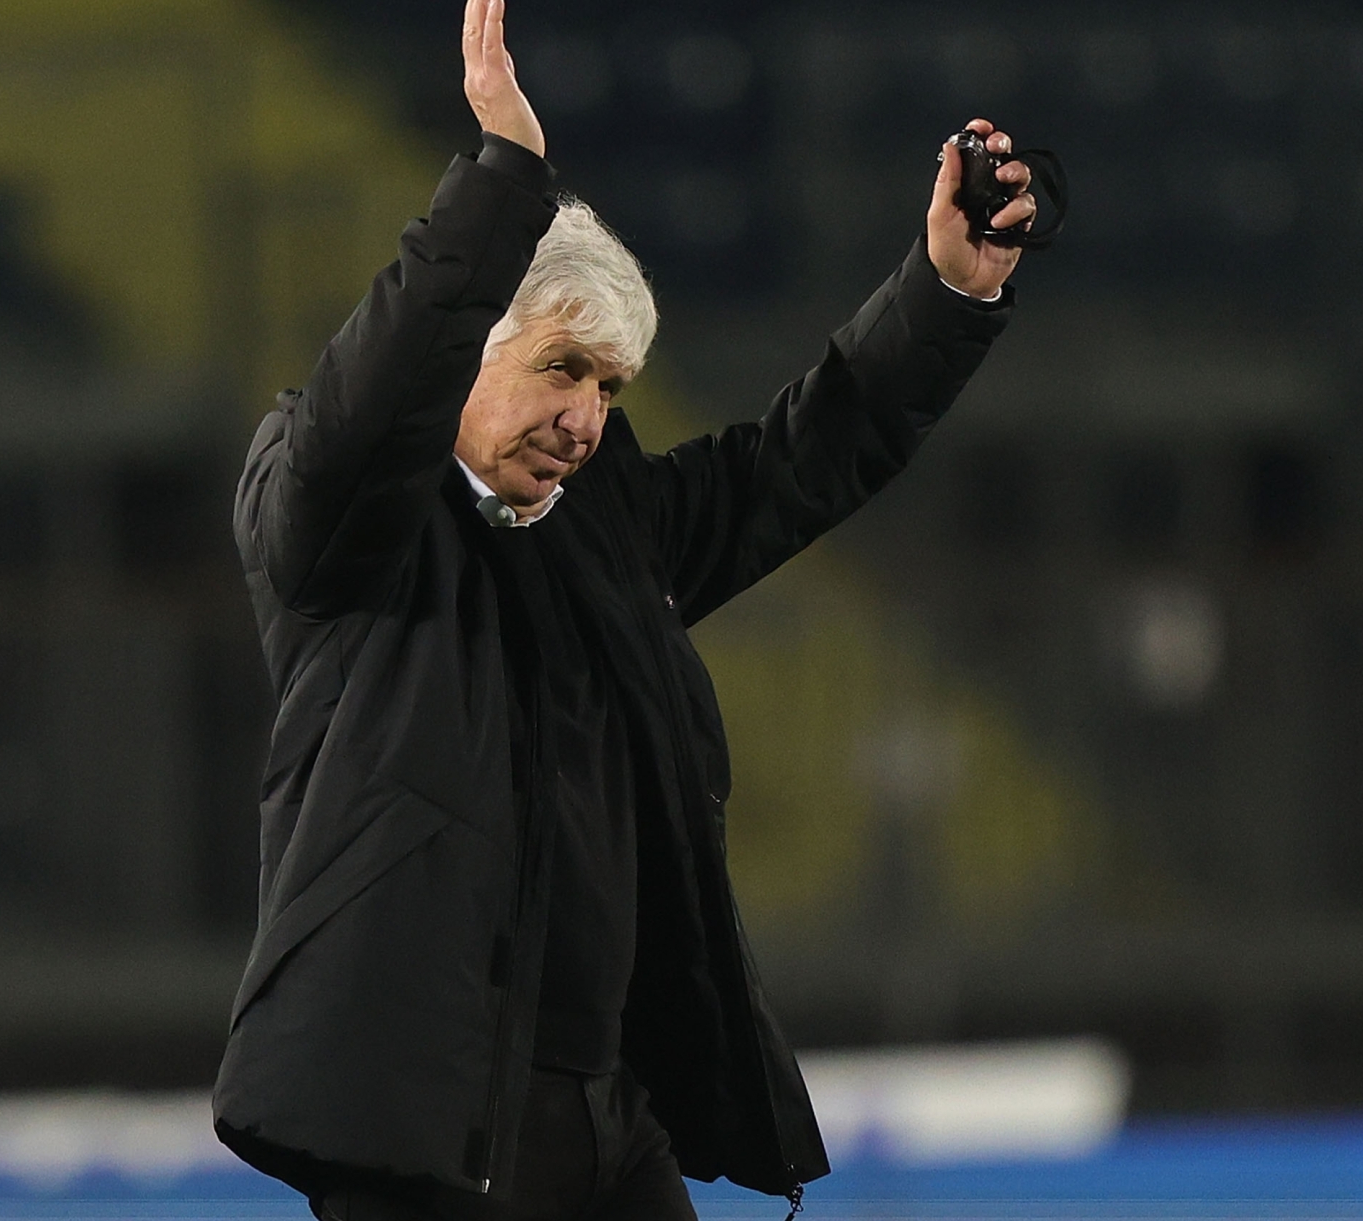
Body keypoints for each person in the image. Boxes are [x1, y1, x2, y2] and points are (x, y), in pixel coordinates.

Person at [213, 0, 1036, 1216]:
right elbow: (360, 423)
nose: (587, 419)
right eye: (560, 368)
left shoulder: (606, 519)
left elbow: (789, 467)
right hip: (426, 1133)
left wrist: (945, 298)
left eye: (608, 385)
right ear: (465, 351)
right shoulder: (331, 515)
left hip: (610, 1111)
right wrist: (499, 189)